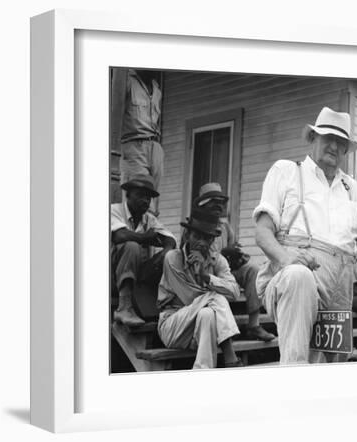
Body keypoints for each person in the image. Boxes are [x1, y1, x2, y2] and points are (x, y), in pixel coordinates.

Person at [253, 107, 357, 365]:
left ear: (345, 150)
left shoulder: (350, 187)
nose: (333, 146)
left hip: (339, 287)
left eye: (340, 143)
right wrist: (286, 259)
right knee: (300, 278)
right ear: (313, 138)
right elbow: (263, 233)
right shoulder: (287, 171)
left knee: (331, 366)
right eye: (327, 138)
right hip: (291, 274)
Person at [156, 207, 243, 369]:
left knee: (207, 313)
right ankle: (230, 355)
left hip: (200, 332)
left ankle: (203, 371)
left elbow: (235, 292)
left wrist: (206, 276)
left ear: (212, 240)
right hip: (173, 326)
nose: (202, 243)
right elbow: (190, 299)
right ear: (188, 236)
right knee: (215, 298)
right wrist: (212, 288)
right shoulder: (173, 259)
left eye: (207, 238)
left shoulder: (218, 260)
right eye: (197, 236)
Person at [194, 183, 275, 342]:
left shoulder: (224, 226)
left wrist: (238, 256)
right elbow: (196, 255)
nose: (219, 206)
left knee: (252, 269)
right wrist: (224, 253)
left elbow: (232, 248)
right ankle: (223, 333)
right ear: (203, 205)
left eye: (221, 202)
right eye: (214, 202)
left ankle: (254, 325)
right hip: (203, 274)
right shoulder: (195, 225)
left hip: (224, 272)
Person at [111, 175, 176, 326]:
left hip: (137, 276)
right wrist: (145, 237)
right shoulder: (114, 210)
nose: (145, 201)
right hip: (110, 276)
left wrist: (166, 251)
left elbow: (170, 238)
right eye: (140, 195)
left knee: (171, 256)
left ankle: (166, 307)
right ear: (127, 195)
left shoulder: (149, 218)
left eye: (148, 198)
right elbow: (120, 235)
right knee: (131, 245)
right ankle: (124, 308)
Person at [119, 69, 164, 215]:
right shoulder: (126, 80)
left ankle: (148, 233)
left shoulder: (156, 89)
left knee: (152, 199)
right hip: (134, 144)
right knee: (138, 195)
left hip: (155, 146)